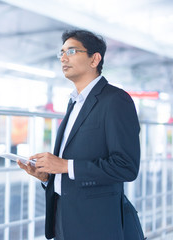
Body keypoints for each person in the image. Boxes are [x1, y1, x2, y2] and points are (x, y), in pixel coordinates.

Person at [17, 29, 140, 240]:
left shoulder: (115, 100)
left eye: (72, 51)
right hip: (63, 218)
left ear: (95, 59)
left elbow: (126, 166)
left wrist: (64, 166)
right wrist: (48, 176)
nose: (63, 58)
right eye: (61, 53)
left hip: (96, 224)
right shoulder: (74, 102)